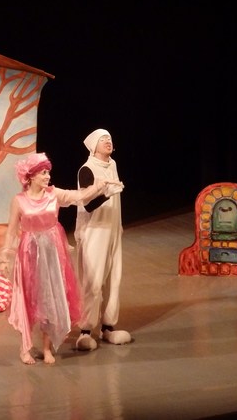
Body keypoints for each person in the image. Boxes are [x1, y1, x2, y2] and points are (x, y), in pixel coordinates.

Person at [0, 152, 120, 365]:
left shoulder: (53, 194)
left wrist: (100, 185)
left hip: (51, 254)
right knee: (28, 299)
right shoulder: (19, 201)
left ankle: (47, 348)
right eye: (43, 173)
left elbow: (78, 196)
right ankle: (25, 347)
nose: (48, 176)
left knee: (49, 300)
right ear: (31, 176)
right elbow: (11, 231)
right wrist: (6, 256)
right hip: (29, 254)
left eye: (48, 172)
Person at [74, 128, 131, 351]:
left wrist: (119, 225)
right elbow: (86, 204)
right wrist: (106, 193)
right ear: (93, 145)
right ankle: (85, 330)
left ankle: (108, 326)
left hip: (112, 229)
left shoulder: (112, 165)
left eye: (110, 138)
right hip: (94, 230)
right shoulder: (87, 169)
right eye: (103, 139)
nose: (108, 141)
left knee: (113, 278)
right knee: (93, 281)